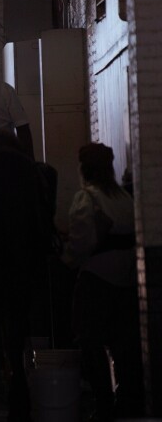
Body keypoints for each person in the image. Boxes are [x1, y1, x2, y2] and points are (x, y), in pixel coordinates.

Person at [61, 143, 144, 420]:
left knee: (89, 340)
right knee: (124, 345)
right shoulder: (124, 198)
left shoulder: (88, 198)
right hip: (128, 279)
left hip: (96, 278)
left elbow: (81, 243)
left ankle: (103, 403)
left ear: (84, 168)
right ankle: (126, 398)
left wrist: (67, 260)